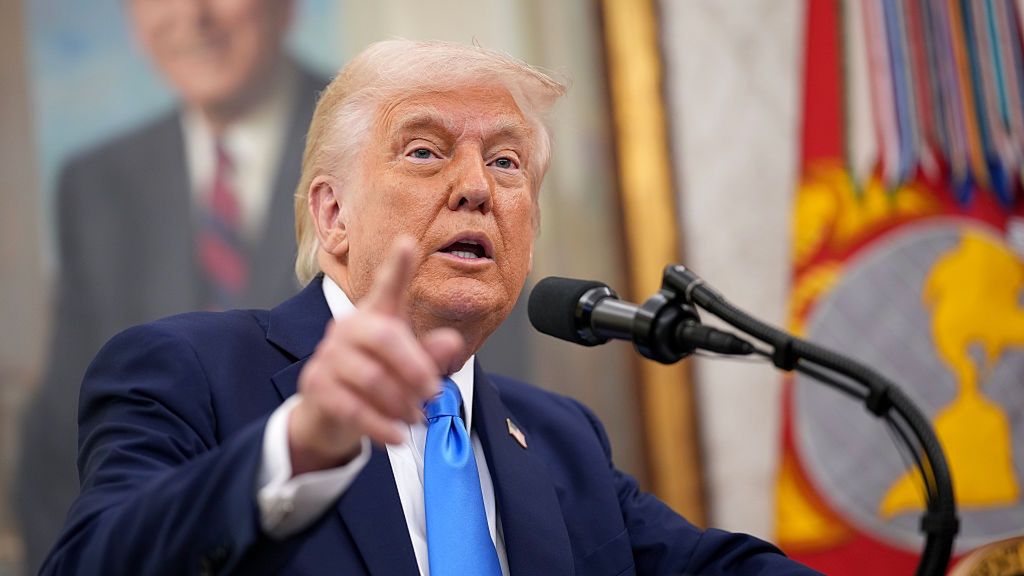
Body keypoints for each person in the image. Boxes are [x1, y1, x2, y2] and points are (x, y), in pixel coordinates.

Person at [42, 40, 820, 575]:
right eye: (424, 150)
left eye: (507, 161)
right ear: (332, 214)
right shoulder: (189, 372)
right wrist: (295, 450)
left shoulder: (561, 439)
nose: (478, 186)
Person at [15, 0, 325, 571]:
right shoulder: (94, 184)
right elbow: (60, 447)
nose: (192, 14)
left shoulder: (389, 140)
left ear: (285, 8)